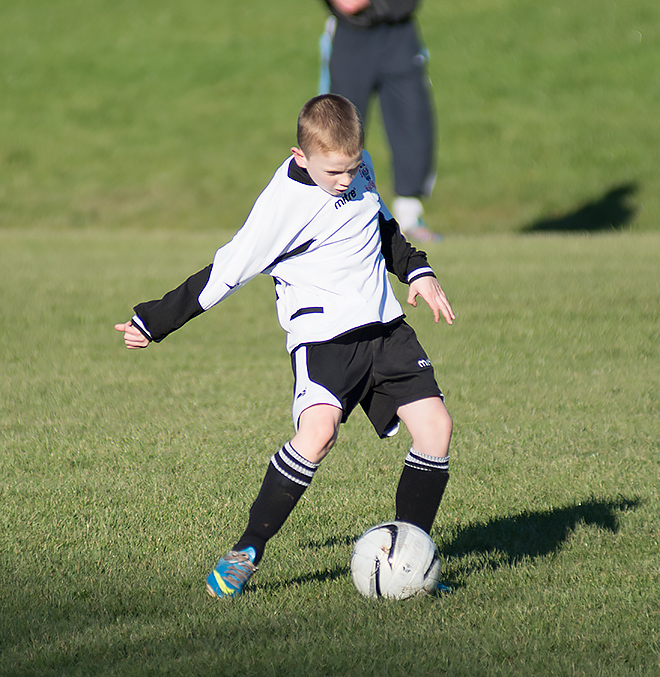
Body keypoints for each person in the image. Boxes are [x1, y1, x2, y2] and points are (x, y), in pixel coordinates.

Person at [114, 94, 455, 599]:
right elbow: (224, 272)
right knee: (317, 435)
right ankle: (247, 551)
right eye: (335, 171)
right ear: (301, 156)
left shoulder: (355, 167)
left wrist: (418, 270)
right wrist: (154, 321)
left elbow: (380, 224)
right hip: (324, 340)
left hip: (386, 329)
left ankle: (409, 560)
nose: (346, 179)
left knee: (436, 428)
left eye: (353, 167)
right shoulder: (281, 208)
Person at [319, 0, 441, 243]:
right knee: (337, 127)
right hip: (352, 30)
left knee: (413, 122)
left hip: (399, 28)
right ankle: (332, 220)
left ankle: (410, 217)